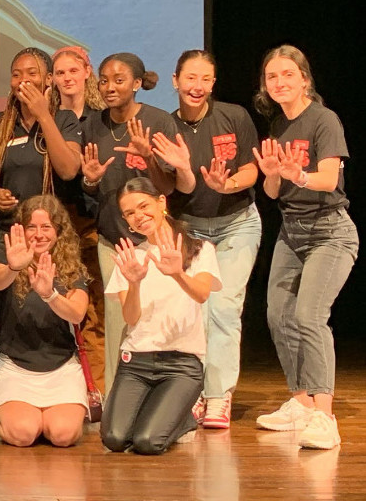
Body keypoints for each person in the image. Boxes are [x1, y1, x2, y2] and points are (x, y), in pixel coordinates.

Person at [251, 45, 357, 450]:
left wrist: (301, 174)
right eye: (272, 76)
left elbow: (329, 180)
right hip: (292, 231)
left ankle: (324, 417)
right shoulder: (279, 124)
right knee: (278, 315)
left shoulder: (323, 120)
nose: (279, 82)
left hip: (330, 231)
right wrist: (276, 174)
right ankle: (301, 401)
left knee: (310, 315)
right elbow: (274, 189)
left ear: (304, 78)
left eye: (287, 75)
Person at [150, 50, 261, 429]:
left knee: (224, 307)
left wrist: (226, 184)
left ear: (214, 83)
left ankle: (218, 396)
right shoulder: (164, 127)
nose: (197, 86)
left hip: (236, 224)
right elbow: (175, 186)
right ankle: (191, 392)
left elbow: (250, 169)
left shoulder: (234, 116)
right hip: (190, 229)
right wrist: (184, 169)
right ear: (175, 80)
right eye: (190, 78)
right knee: (194, 311)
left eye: (206, 79)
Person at [79, 52, 178, 389]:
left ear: (136, 84)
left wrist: (148, 156)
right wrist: (90, 179)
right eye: (103, 80)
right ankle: (117, 396)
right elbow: (90, 188)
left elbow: (169, 185)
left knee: (159, 316)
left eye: (118, 80)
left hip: (154, 238)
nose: (109, 87)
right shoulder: (94, 123)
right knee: (120, 319)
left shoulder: (160, 121)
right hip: (114, 241)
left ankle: (166, 390)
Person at [101, 178, 220, 455]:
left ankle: (184, 420)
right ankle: (161, 413)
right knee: (115, 439)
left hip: (181, 365)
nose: (138, 217)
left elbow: (202, 294)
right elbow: (131, 318)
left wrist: (178, 273)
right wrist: (134, 282)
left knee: (147, 442)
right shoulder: (130, 258)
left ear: (161, 203)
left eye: (143, 206)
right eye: (129, 213)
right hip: (136, 362)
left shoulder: (200, 249)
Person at [0, 195, 89, 447]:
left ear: (58, 231)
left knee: (63, 435)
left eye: (46, 227)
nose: (39, 234)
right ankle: (28, 418)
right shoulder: (8, 257)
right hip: (16, 369)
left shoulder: (71, 266)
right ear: (21, 229)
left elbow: (76, 313)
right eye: (32, 227)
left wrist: (50, 294)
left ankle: (47, 418)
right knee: (23, 434)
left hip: (61, 368)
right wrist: (13, 267)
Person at [0, 47, 82, 255]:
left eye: (31, 73)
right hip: (7, 233)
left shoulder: (65, 120)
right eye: (16, 75)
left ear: (47, 79)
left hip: (50, 234)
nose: (23, 80)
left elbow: (68, 170)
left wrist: (43, 116)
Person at [50, 46, 107, 392]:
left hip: (93, 222)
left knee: (95, 311)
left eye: (74, 70)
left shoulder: (102, 119)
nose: (67, 78)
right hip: (58, 223)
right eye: (60, 72)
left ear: (87, 71)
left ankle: (98, 389)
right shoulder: (49, 117)